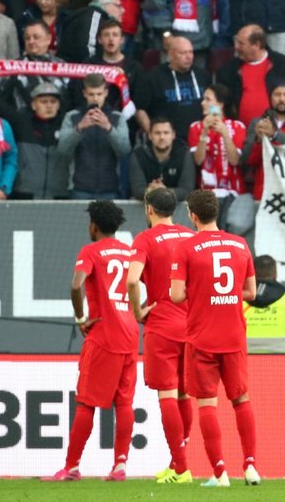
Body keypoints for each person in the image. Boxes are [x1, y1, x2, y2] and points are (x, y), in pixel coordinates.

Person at [170, 189, 261, 487]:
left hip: (201, 337)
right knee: (241, 399)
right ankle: (250, 466)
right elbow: (250, 292)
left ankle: (220, 473)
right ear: (216, 213)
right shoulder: (240, 244)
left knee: (207, 404)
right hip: (233, 333)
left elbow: (176, 294)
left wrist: (201, 294)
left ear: (192, 215)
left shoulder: (185, 248)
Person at [45, 200, 139, 482]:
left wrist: (79, 317)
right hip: (131, 335)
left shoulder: (91, 251)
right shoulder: (129, 252)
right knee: (124, 403)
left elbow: (76, 284)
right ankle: (120, 465)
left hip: (104, 335)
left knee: (86, 403)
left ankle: (72, 466)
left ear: (93, 225)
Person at [126, 187, 196, 484]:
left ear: (149, 210)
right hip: (192, 326)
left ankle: (181, 468)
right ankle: (177, 464)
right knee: (185, 393)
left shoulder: (144, 239)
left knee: (166, 393)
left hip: (163, 325)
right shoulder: (190, 237)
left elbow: (131, 279)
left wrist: (138, 311)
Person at [218, 24, 285, 127]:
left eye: (241, 43)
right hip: (241, 136)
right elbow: (220, 102)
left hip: (280, 133)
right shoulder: (229, 70)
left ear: (256, 45)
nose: (236, 47)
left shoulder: (284, 65)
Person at [189, 84, 253, 234]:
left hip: (232, 191)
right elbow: (198, 161)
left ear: (220, 104)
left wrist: (225, 134)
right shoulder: (196, 127)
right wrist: (204, 133)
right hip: (205, 194)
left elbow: (235, 160)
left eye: (207, 99)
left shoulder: (237, 126)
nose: (202, 103)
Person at [59, 74, 132, 200]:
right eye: (91, 94)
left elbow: (125, 150)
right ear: (84, 94)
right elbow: (62, 150)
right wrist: (79, 128)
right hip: (80, 188)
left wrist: (109, 128)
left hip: (110, 188)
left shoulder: (117, 117)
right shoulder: (72, 117)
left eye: (99, 94)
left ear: (106, 93)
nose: (95, 99)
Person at [134, 36, 211, 137]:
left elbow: (214, 104)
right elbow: (140, 110)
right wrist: (152, 134)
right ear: (170, 55)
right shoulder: (153, 77)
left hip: (200, 137)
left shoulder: (203, 75)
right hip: (167, 139)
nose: (188, 57)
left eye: (190, 52)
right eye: (182, 53)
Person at [0, 20, 69, 116]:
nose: (31, 41)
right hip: (24, 123)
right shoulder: (13, 67)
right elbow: (2, 101)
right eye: (27, 38)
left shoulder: (62, 65)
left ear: (49, 39)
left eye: (36, 37)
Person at [10, 82, 68, 200]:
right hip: (25, 193)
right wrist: (11, 78)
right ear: (33, 105)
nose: (49, 106)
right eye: (44, 101)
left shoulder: (68, 125)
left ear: (59, 105)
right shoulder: (22, 124)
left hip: (59, 194)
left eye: (53, 101)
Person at [129, 118, 195, 201]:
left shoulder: (184, 153)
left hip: (177, 208)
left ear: (173, 135)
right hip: (145, 208)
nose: (162, 137)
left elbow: (187, 190)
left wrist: (164, 192)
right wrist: (155, 192)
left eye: (166, 133)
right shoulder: (138, 154)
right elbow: (137, 189)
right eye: (157, 133)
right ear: (150, 135)